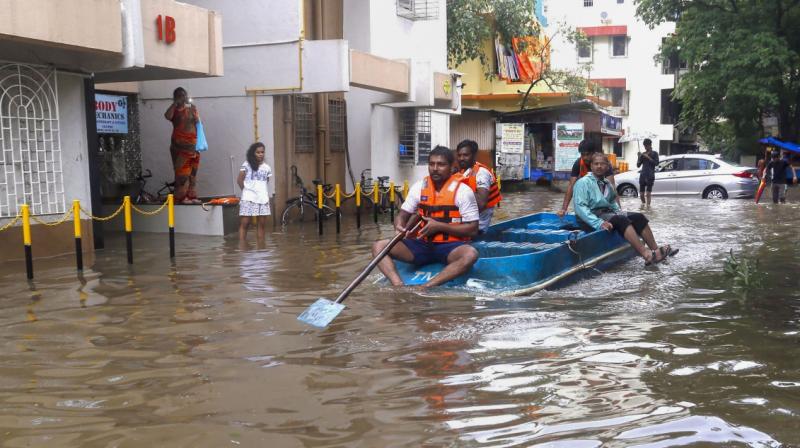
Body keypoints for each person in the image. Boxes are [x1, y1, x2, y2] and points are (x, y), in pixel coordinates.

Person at [373, 146, 480, 288]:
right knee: (378, 246)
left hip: (451, 247)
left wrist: (440, 226)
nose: (435, 168)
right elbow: (402, 215)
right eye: (432, 164)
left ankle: (426, 287)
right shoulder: (418, 187)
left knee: (470, 254)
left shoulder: (463, 192)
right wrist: (399, 226)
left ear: (451, 167)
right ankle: (398, 285)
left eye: (441, 164)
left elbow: (473, 229)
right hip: (422, 244)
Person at [573, 153, 677, 266]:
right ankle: (647, 255)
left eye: (602, 164)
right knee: (620, 220)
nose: (599, 166)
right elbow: (580, 208)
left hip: (606, 213)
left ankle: (656, 250)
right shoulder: (583, 183)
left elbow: (612, 202)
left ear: (607, 166)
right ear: (591, 166)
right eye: (596, 164)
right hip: (591, 218)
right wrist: (599, 223)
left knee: (639, 217)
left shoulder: (607, 183)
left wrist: (619, 211)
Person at [557, 139, 619, 218]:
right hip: (588, 198)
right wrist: (564, 209)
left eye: (588, 154)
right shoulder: (578, 163)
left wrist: (619, 211)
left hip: (602, 200)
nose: (585, 157)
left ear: (594, 153)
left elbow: (612, 188)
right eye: (583, 155)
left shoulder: (603, 164)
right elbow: (571, 186)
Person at [455, 139, 502, 233]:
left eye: (465, 155)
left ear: (474, 155)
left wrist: (460, 185)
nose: (461, 158)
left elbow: (481, 203)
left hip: (477, 227)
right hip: (464, 221)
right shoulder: (463, 171)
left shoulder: (481, 173)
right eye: (459, 155)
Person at [164, 87, 201, 204]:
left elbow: (198, 123)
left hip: (194, 147)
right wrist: (175, 104)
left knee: (193, 173)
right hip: (180, 148)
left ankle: (191, 195)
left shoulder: (191, 109)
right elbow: (167, 116)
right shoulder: (174, 110)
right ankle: (181, 197)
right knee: (182, 174)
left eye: (184, 95)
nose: (183, 98)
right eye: (180, 96)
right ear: (175, 97)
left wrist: (194, 110)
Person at [237, 142, 272, 245]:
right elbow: (239, 180)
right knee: (245, 223)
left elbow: (266, 182)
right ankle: (242, 247)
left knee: (261, 225)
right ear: (253, 153)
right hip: (248, 199)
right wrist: (247, 191)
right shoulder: (246, 165)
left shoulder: (267, 168)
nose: (261, 154)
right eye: (258, 152)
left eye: (262, 152)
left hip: (263, 199)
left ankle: (261, 248)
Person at [636, 138, 659, 205]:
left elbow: (656, 163)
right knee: (641, 194)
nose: (645, 147)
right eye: (644, 146)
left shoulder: (655, 153)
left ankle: (648, 207)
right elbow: (638, 165)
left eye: (646, 146)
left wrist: (648, 157)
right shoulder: (643, 154)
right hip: (643, 175)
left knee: (648, 193)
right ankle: (643, 206)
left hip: (650, 175)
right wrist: (639, 157)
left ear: (650, 145)